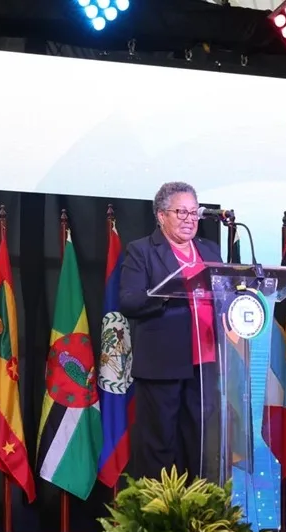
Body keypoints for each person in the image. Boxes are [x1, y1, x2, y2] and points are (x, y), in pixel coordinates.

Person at [119, 181, 222, 482]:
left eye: (194, 212)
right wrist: (166, 293)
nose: (190, 219)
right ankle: (159, 508)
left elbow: (225, 292)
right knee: (160, 446)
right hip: (162, 365)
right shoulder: (142, 251)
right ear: (161, 216)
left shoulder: (209, 250)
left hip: (205, 362)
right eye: (181, 212)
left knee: (199, 443)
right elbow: (129, 301)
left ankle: (198, 505)